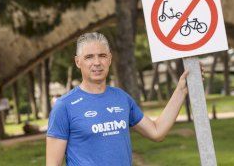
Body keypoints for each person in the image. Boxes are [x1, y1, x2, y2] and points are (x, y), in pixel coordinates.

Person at [46, 32, 190, 166]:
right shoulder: (64, 106)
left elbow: (157, 132)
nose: (97, 62)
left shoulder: (121, 98)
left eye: (102, 56)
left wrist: (181, 90)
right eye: (89, 57)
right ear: (78, 62)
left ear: (109, 59)